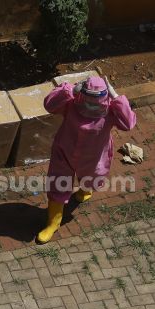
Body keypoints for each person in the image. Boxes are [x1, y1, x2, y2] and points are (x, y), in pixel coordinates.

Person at [37, 76, 137, 244]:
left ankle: (85, 191)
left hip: (95, 156)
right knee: (57, 184)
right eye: (87, 99)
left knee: (91, 178)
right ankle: (53, 223)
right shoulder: (71, 103)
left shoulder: (111, 110)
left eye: (95, 101)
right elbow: (49, 105)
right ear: (81, 94)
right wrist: (69, 90)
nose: (91, 105)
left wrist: (116, 97)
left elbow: (128, 124)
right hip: (64, 152)